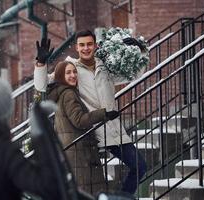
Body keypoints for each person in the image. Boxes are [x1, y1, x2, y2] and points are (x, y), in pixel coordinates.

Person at [34, 30, 147, 195]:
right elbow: (42, 86)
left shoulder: (105, 67)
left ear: (95, 45)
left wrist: (138, 50)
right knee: (92, 184)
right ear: (76, 48)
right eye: (82, 45)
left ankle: (120, 198)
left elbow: (134, 74)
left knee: (140, 166)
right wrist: (40, 64)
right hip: (91, 132)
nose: (86, 48)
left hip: (113, 130)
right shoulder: (71, 69)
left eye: (89, 44)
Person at [45, 60, 119, 195]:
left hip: (73, 153)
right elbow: (79, 120)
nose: (73, 75)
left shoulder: (60, 94)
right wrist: (104, 113)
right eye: (68, 73)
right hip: (81, 154)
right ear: (61, 76)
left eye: (74, 72)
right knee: (90, 193)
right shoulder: (68, 94)